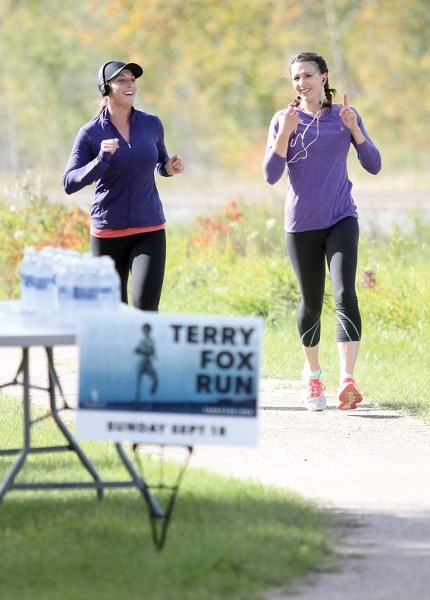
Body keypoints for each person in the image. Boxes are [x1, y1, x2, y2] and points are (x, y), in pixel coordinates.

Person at [263, 51, 381, 412]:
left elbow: (373, 165)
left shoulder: (345, 116)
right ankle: (313, 376)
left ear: (324, 77)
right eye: (296, 77)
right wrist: (284, 134)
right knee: (312, 303)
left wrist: (355, 130)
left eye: (308, 75)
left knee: (346, 293)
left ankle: (348, 379)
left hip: (342, 217)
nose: (302, 83)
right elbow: (270, 175)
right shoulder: (284, 119)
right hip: (301, 225)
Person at [63, 60, 184, 311]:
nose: (130, 85)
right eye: (121, 80)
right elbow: (69, 182)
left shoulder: (151, 124)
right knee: (111, 311)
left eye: (132, 80)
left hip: (149, 228)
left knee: (145, 308)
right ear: (106, 88)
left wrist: (169, 169)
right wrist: (100, 160)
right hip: (108, 232)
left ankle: (146, 352)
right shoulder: (90, 133)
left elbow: (159, 163)